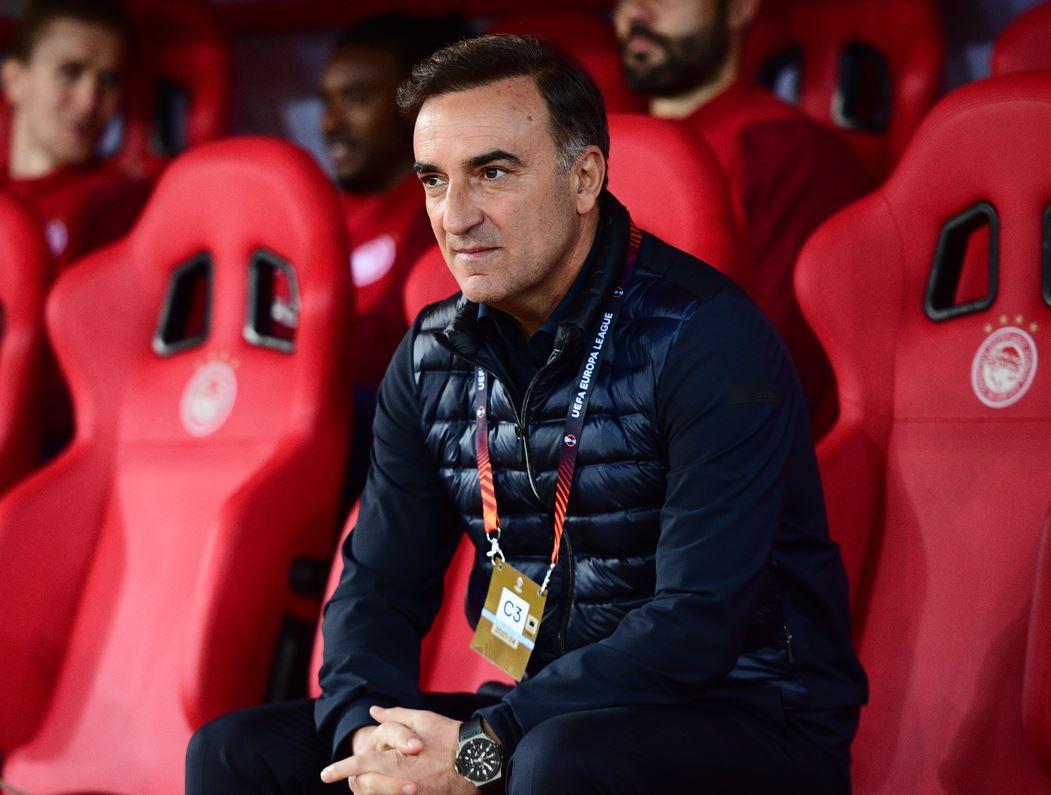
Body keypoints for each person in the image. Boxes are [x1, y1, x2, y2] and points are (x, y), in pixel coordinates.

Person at [187, 35, 866, 794]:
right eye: (434, 180)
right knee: (235, 751)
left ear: (584, 179)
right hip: (545, 716)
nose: (455, 216)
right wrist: (369, 734)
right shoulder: (431, 355)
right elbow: (378, 583)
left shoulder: (708, 339)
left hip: (751, 718)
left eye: (492, 173)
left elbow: (697, 623)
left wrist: (482, 748)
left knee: (554, 762)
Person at [614, 0, 872, 434]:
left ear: (737, 9)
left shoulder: (791, 154)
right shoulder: (598, 153)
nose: (636, 11)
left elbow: (775, 377)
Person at [320, 13, 466, 391]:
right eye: (327, 102)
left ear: (417, 106)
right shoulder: (312, 213)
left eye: (357, 98)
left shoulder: (447, 215)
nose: (330, 124)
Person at [1, 0, 152, 270]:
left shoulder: (120, 206)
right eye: (70, 72)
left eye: (108, 81)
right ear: (15, 80)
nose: (89, 102)